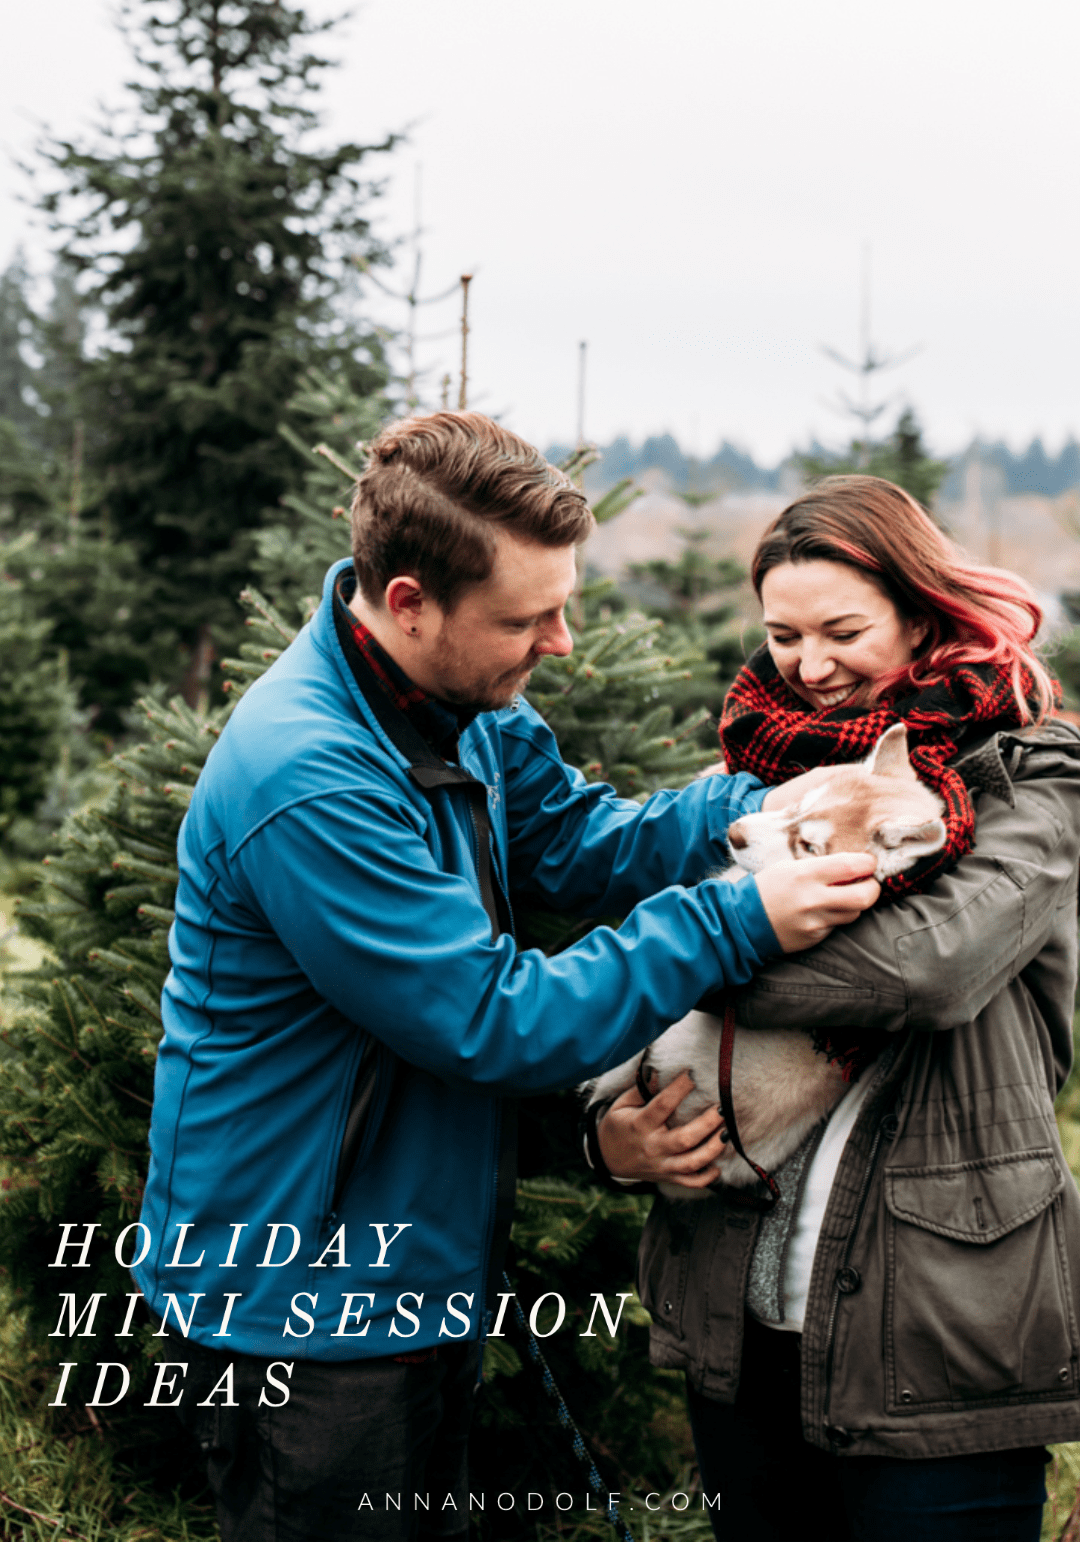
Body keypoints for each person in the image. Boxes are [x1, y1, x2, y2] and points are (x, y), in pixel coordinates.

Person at [136, 414, 880, 1542]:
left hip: (407, 1269)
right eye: (528, 619)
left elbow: (582, 840)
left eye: (564, 604)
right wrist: (741, 917)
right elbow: (493, 1020)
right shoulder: (312, 778)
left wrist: (756, 807)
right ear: (406, 603)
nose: (563, 641)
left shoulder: (455, 702)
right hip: (304, 1300)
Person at [595, 473, 1080, 1542]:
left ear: (919, 610)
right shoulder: (762, 778)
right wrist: (612, 1140)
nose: (809, 668)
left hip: (940, 1335)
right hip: (742, 1323)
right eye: (782, 635)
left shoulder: (1034, 775)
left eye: (843, 630)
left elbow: (929, 970)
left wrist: (679, 952)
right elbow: (658, 1036)